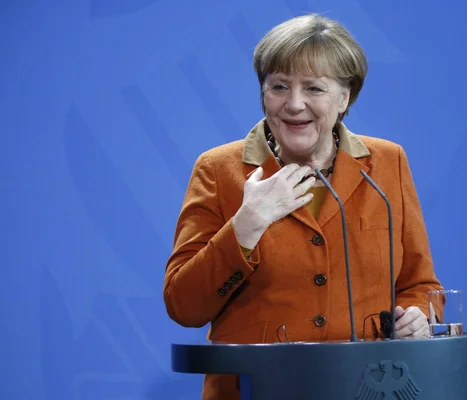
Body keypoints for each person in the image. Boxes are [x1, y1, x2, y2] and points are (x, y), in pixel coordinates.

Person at [163, 13, 443, 400]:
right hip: (254, 389)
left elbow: (419, 285)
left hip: (367, 388)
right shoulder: (218, 170)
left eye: (313, 88)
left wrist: (419, 317)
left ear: (345, 97)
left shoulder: (387, 163)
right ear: (263, 93)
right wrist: (245, 225)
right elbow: (184, 306)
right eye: (279, 86)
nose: (294, 105)